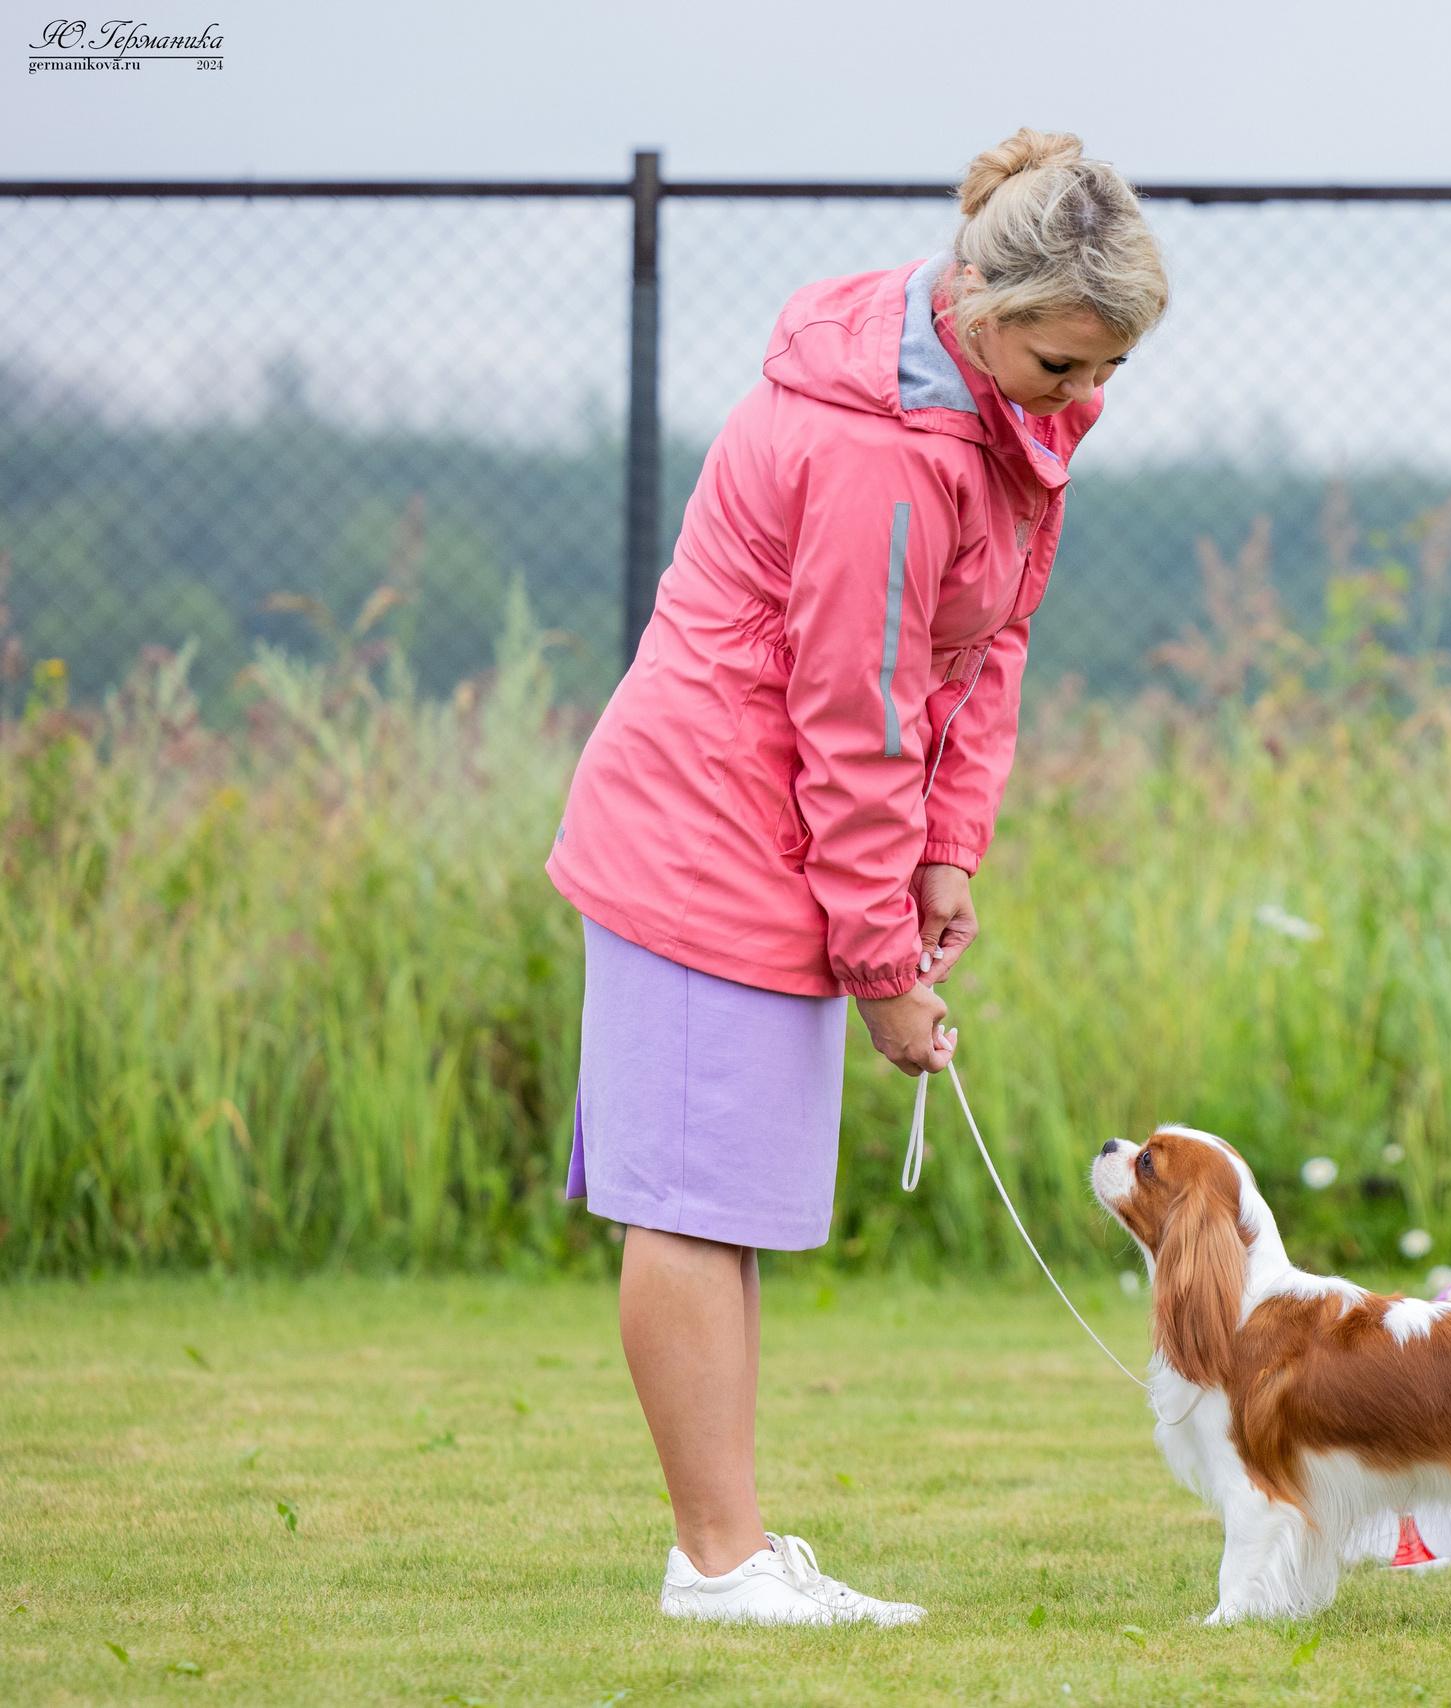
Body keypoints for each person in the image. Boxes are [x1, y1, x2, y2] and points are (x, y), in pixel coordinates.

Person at [544, 128, 1168, 1626]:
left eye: (1104, 374)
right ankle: (715, 1565)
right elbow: (858, 713)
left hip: (788, 840)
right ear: (981, 304)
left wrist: (949, 855)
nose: (1084, 403)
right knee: (688, 1205)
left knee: (731, 1201)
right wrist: (884, 968)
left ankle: (735, 1546)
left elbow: (987, 647)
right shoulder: (881, 451)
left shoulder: (1003, 423)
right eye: (1064, 367)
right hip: (705, 833)